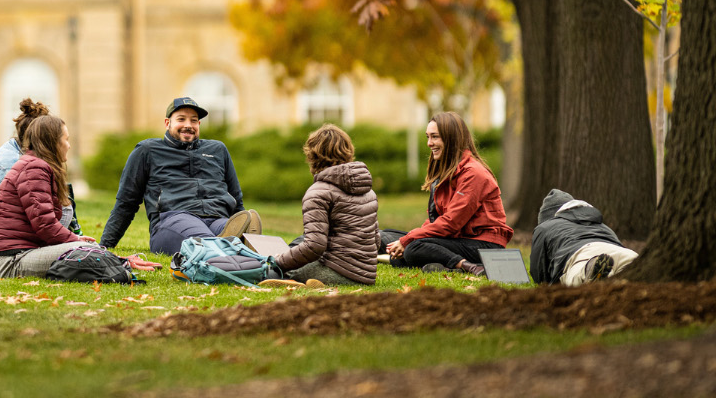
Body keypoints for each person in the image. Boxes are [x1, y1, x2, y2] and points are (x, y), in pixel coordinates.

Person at [0, 115, 158, 278]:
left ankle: (118, 261)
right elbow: (45, 224)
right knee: (83, 250)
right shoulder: (34, 168)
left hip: (19, 253)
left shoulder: (35, 165)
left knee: (85, 248)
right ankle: (121, 264)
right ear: (53, 142)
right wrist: (74, 240)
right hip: (8, 261)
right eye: (66, 139)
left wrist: (76, 240)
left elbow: (44, 225)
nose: (69, 145)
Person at [99, 97, 261, 255]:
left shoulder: (218, 149)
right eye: (181, 119)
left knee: (230, 233)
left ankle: (241, 245)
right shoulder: (147, 150)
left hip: (218, 219)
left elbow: (236, 198)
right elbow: (127, 202)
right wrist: (105, 244)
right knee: (204, 240)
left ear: (199, 124)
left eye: (194, 120)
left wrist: (243, 219)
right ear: (167, 123)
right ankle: (231, 248)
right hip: (172, 219)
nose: (188, 125)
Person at [386, 111, 513, 276]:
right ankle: (446, 266)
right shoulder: (447, 171)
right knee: (397, 256)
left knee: (413, 248)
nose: (429, 143)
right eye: (427, 137)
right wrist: (411, 237)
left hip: (484, 244)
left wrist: (409, 239)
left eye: (435, 137)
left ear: (452, 138)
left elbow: (451, 223)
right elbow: (438, 219)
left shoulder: (474, 173)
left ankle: (469, 266)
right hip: (459, 238)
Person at [0, 99, 77, 267]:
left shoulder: (14, 152)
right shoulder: (19, 164)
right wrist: (74, 241)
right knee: (64, 208)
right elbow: (41, 219)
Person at [274, 124, 379, 286]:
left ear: (313, 154)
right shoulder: (368, 190)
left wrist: (278, 261)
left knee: (274, 270)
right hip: (366, 276)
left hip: (337, 272)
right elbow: (376, 239)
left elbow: (314, 246)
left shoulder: (318, 192)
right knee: (298, 243)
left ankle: (297, 280)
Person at [531, 188, 639, 285]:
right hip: (624, 253)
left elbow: (538, 274)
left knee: (580, 278)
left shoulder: (544, 228)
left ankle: (591, 270)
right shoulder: (601, 225)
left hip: (583, 256)